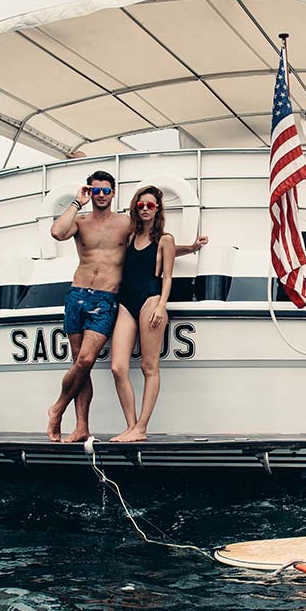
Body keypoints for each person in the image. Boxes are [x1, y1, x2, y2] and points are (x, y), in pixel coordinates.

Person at [46, 172, 206, 442]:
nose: (101, 195)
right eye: (96, 191)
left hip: (112, 299)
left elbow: (157, 245)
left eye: (106, 191)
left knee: (91, 361)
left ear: (113, 192)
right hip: (82, 296)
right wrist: (77, 202)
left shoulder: (125, 225)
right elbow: (57, 232)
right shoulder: (84, 222)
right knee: (92, 366)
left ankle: (59, 408)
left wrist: (189, 248)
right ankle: (86, 426)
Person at [109, 186, 174, 442]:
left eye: (150, 205)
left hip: (151, 301)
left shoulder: (165, 239)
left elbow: (168, 276)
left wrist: (161, 306)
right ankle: (131, 426)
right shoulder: (130, 237)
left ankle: (142, 427)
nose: (145, 209)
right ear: (136, 207)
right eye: (141, 205)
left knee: (149, 367)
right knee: (118, 367)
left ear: (157, 209)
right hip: (126, 303)